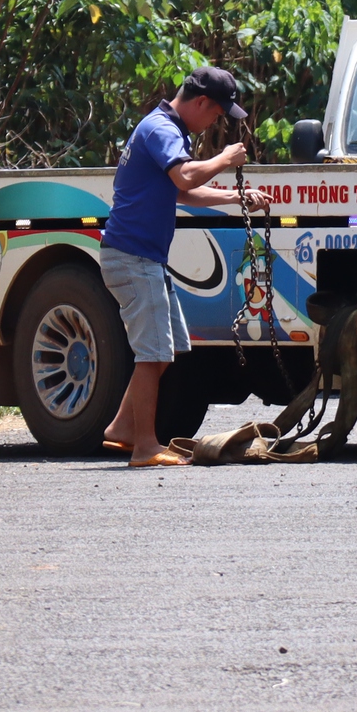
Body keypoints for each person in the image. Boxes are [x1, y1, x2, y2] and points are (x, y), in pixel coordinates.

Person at [101, 66, 270, 467]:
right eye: (216, 114)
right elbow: (184, 175)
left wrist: (234, 199)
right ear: (200, 103)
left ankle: (123, 428)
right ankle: (145, 447)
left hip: (142, 258)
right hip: (134, 258)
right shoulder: (162, 130)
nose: (215, 121)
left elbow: (183, 190)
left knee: (168, 346)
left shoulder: (169, 130)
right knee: (151, 352)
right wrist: (225, 158)